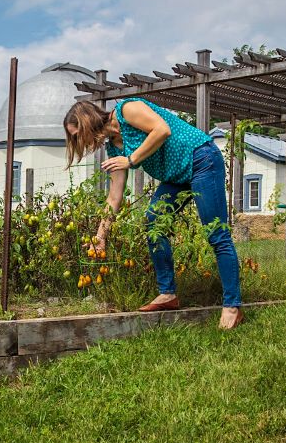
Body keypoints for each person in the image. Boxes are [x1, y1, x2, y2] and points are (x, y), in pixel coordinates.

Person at [63, 98, 242, 330]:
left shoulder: (127, 110)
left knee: (216, 233)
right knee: (153, 222)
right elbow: (114, 196)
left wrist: (131, 160)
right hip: (176, 177)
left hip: (201, 159)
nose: (78, 142)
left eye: (77, 135)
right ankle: (168, 295)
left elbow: (162, 129)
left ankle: (232, 307)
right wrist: (101, 235)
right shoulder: (113, 147)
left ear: (86, 123)